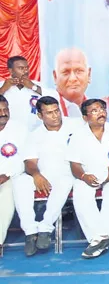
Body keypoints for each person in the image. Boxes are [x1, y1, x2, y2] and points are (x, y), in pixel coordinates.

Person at [13, 96, 78, 256]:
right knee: (20, 181)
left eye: (57, 111)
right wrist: (36, 175)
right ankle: (30, 231)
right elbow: (30, 162)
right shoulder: (34, 135)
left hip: (69, 174)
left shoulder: (76, 126)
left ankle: (45, 228)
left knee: (64, 181)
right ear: (40, 116)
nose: (55, 116)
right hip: (43, 174)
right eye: (49, 113)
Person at [67, 99, 109, 258]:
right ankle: (99, 238)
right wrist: (83, 176)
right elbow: (74, 164)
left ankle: (99, 241)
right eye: (94, 111)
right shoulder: (78, 136)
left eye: (102, 109)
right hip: (89, 175)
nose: (101, 112)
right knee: (81, 193)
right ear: (85, 117)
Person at [0, 95, 28, 253]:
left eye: (6, 109)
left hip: (10, 176)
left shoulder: (19, 129)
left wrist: (7, 174)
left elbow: (25, 159)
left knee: (6, 193)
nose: (3, 113)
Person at [0, 56, 46, 130]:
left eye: (27, 67)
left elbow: (52, 98)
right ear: (11, 71)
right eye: (21, 68)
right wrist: (3, 88)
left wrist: (33, 86)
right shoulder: (2, 85)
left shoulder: (37, 85)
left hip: (36, 131)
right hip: (10, 132)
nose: (26, 71)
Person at [53, 48, 91, 117]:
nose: (72, 78)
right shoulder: (43, 109)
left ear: (89, 75)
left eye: (79, 71)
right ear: (55, 77)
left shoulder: (99, 109)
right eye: (65, 72)